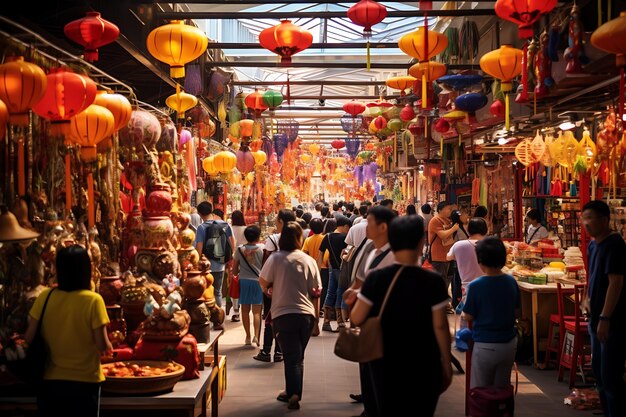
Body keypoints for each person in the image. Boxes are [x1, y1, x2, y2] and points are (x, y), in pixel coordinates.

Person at [349, 215, 453, 416]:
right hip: (424, 361)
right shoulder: (433, 281)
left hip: (385, 361)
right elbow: (440, 326)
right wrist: (446, 363)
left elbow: (358, 317)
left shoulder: (376, 279)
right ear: (421, 242)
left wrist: (357, 298)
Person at [25, 245, 112, 417]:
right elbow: (102, 345)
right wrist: (110, 345)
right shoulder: (93, 300)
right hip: (85, 383)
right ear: (86, 269)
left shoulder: (45, 296)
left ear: (59, 269)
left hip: (50, 381)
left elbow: (28, 337)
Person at [259, 221, 322, 411]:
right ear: (299, 238)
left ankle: (294, 393)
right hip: (305, 315)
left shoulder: (275, 258)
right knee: (297, 355)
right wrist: (317, 317)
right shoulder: (308, 260)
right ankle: (291, 391)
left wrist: (270, 289)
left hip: (283, 314)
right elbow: (316, 290)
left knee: (292, 356)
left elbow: (262, 281)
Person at [343, 205, 396, 417]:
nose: (366, 228)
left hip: (385, 322)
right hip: (368, 318)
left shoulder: (396, 256)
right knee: (367, 365)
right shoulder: (373, 251)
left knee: (382, 370)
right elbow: (361, 280)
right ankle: (370, 405)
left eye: (370, 223)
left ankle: (377, 407)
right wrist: (353, 290)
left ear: (383, 227)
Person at [580, 200, 626, 417]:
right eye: (584, 218)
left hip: (612, 321)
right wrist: (586, 299)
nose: (586, 224)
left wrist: (606, 318)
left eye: (591, 218)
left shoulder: (615, 244)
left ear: (605, 220)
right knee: (598, 372)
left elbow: (616, 282)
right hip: (595, 319)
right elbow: (592, 276)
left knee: (610, 376)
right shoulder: (592, 245)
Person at [462, 237, 520, 390]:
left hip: (485, 344)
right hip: (509, 344)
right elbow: (517, 312)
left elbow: (468, 315)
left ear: (480, 260)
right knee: (502, 389)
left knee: (481, 391)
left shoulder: (476, 286)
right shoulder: (511, 281)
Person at [254, 209, 296, 362]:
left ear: (282, 222)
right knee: (282, 318)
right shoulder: (297, 238)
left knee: (269, 318)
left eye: (277, 220)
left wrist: (265, 286)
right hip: (289, 285)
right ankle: (279, 351)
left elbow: (266, 263)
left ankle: (266, 351)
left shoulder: (272, 240)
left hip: (273, 286)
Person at [194, 201, 235, 329]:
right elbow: (232, 244)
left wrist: (197, 263)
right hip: (220, 265)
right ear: (211, 210)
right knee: (217, 292)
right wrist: (228, 258)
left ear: (200, 213)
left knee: (206, 292)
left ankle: (207, 319)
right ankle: (219, 320)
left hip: (206, 267)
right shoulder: (225, 225)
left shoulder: (201, 228)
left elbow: (199, 248)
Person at [232, 225, 264, 347]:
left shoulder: (240, 250)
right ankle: (256, 336)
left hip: (244, 281)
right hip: (258, 282)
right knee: (257, 311)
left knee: (245, 311)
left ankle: (247, 337)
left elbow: (234, 270)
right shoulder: (262, 249)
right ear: (258, 236)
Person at [318, 215, 351, 331]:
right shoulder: (346, 238)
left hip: (331, 269)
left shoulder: (327, 237)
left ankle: (326, 321)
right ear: (346, 226)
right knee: (341, 292)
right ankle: (340, 322)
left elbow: (320, 254)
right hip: (343, 269)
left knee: (330, 292)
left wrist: (319, 269)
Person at [428, 201, 459, 314]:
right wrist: (453, 229)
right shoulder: (435, 220)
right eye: (448, 209)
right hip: (438, 256)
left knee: (447, 280)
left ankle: (443, 304)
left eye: (451, 209)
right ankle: (439, 306)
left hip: (448, 256)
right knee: (441, 281)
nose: (450, 211)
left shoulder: (448, 221)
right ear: (440, 210)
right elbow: (442, 235)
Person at [302, 218, 326, 336]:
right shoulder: (324, 238)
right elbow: (327, 256)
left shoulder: (308, 240)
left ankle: (313, 325)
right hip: (324, 270)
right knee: (320, 297)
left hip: (311, 271)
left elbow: (304, 254)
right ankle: (318, 323)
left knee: (313, 297)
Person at [228, 209, 247, 322]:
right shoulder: (246, 230)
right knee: (242, 283)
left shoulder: (230, 229)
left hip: (232, 259)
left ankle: (236, 311)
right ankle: (242, 307)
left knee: (234, 284)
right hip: (245, 259)